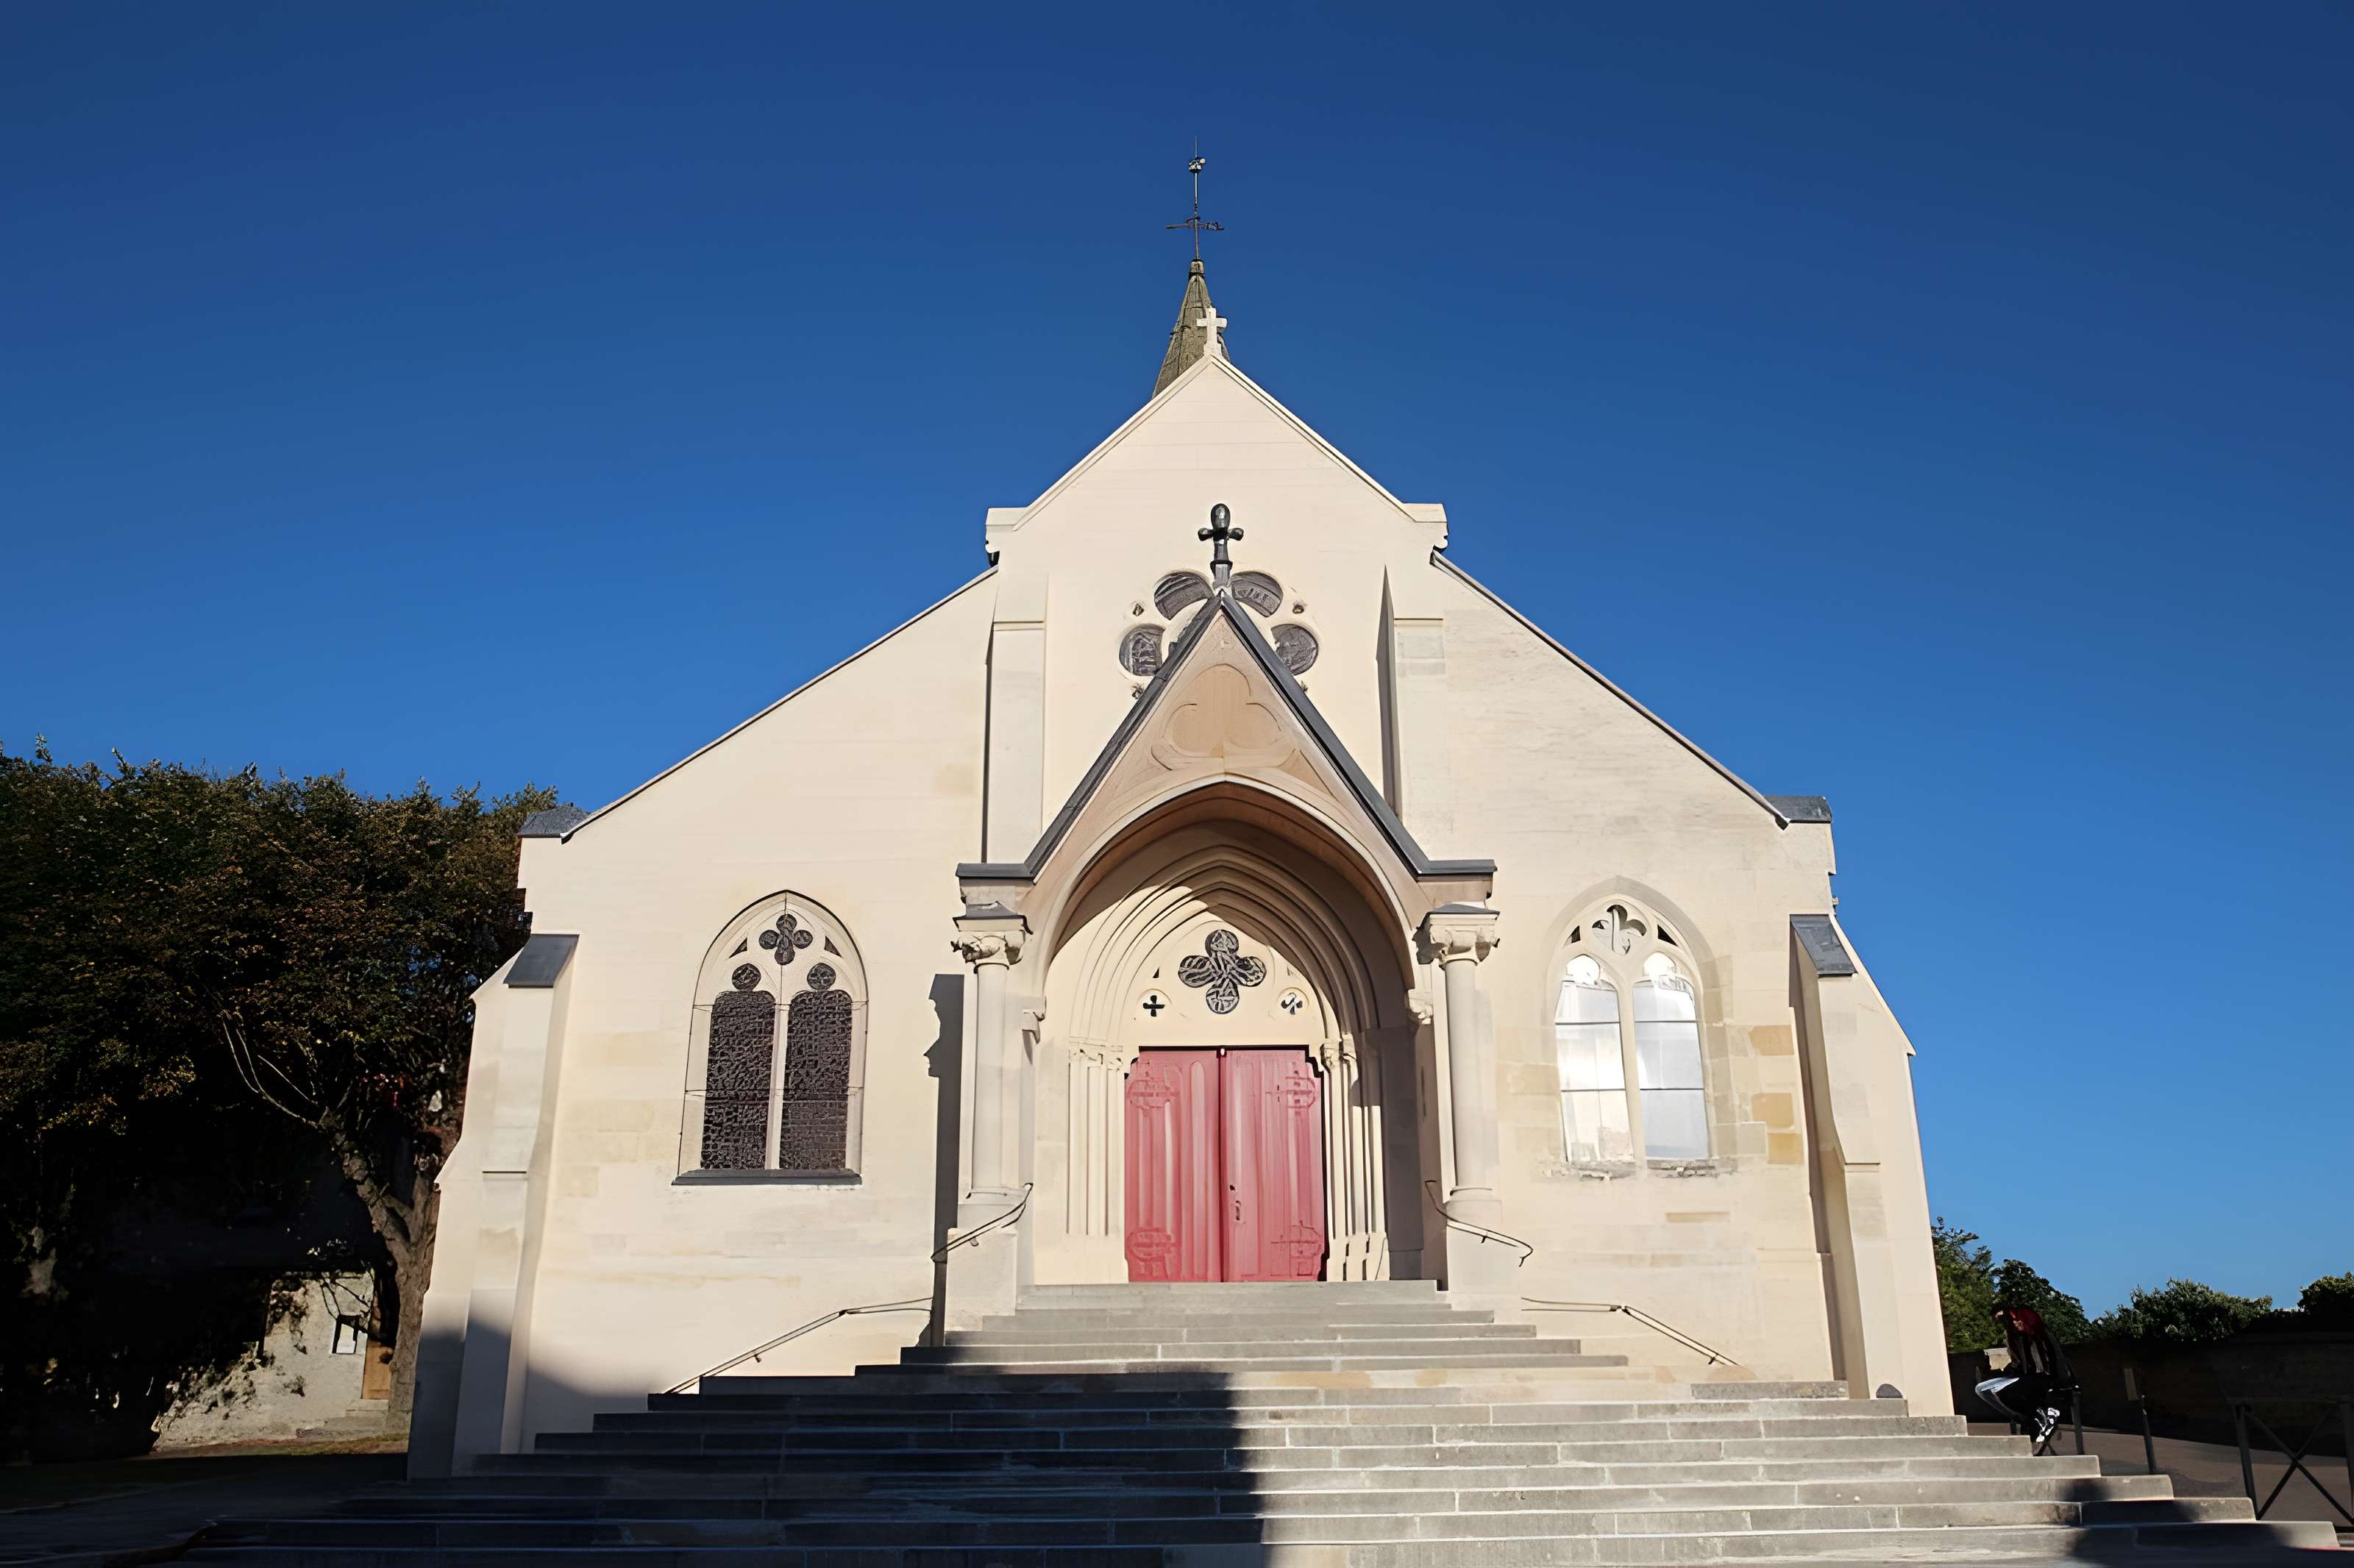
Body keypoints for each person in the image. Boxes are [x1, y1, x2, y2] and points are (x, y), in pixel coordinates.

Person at [1974, 1303, 2077, 1447]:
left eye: (2009, 1319)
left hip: (2042, 1378)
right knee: (1982, 1389)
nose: (2011, 1324)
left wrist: (2060, 1381)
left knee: (2008, 1393)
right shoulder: (2014, 1339)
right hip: (2023, 1377)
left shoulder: (2039, 1338)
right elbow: (2017, 1364)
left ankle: (2037, 1417)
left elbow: (2052, 1360)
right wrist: (2002, 1371)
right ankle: (2032, 1417)